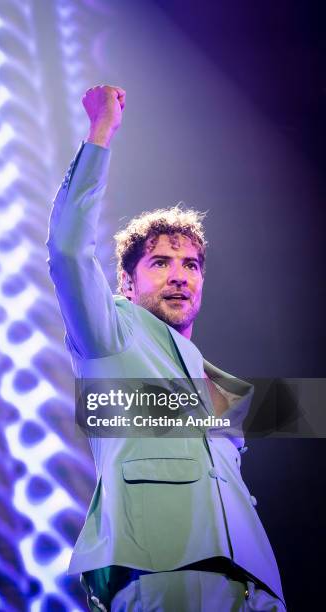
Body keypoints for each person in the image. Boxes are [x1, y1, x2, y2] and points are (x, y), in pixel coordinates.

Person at [46, 85, 286, 611]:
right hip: (164, 576)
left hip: (254, 588)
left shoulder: (221, 388)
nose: (179, 276)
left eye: (190, 265)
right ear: (127, 284)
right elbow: (67, 250)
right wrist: (101, 132)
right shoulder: (112, 336)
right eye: (160, 262)